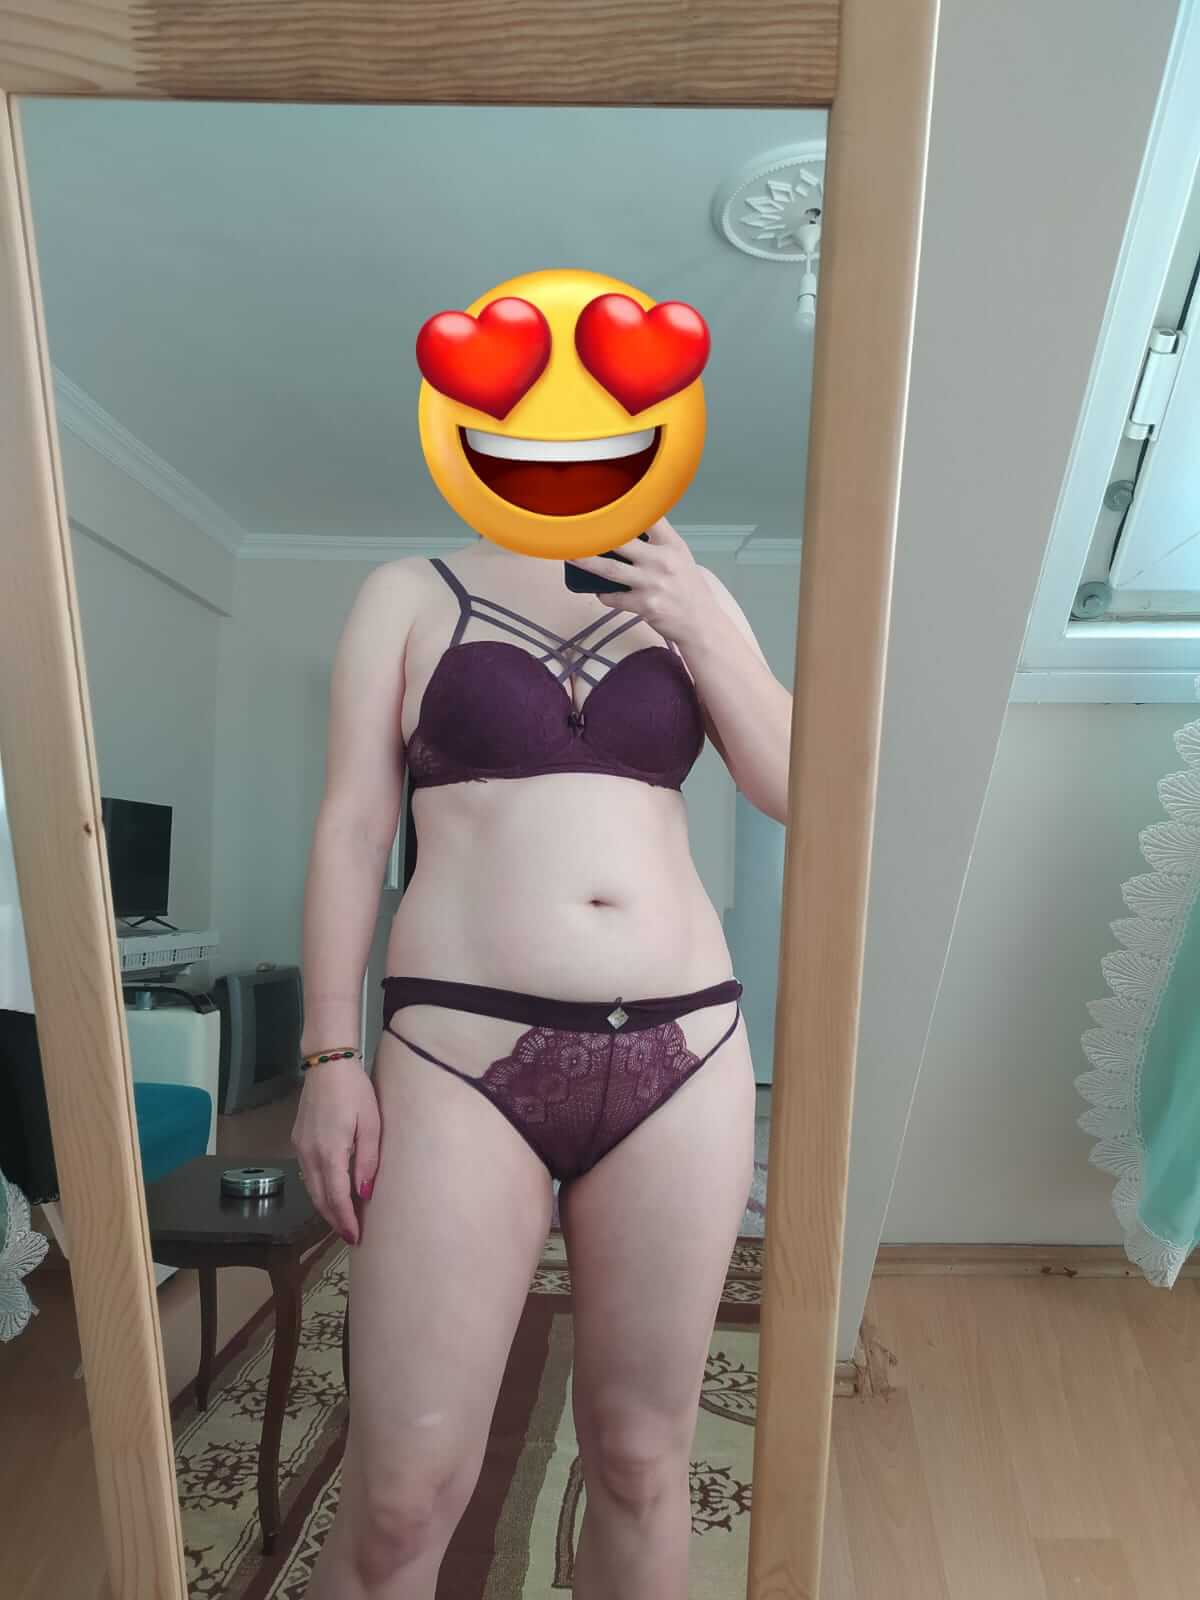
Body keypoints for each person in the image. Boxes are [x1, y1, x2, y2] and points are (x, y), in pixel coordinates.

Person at [295, 517, 792, 1599]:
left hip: (685, 1051)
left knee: (640, 1458)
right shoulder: (408, 590)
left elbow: (799, 784)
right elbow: (353, 825)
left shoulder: (690, 593)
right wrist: (329, 1053)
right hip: (457, 1054)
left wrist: (698, 617)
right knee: (402, 1490)